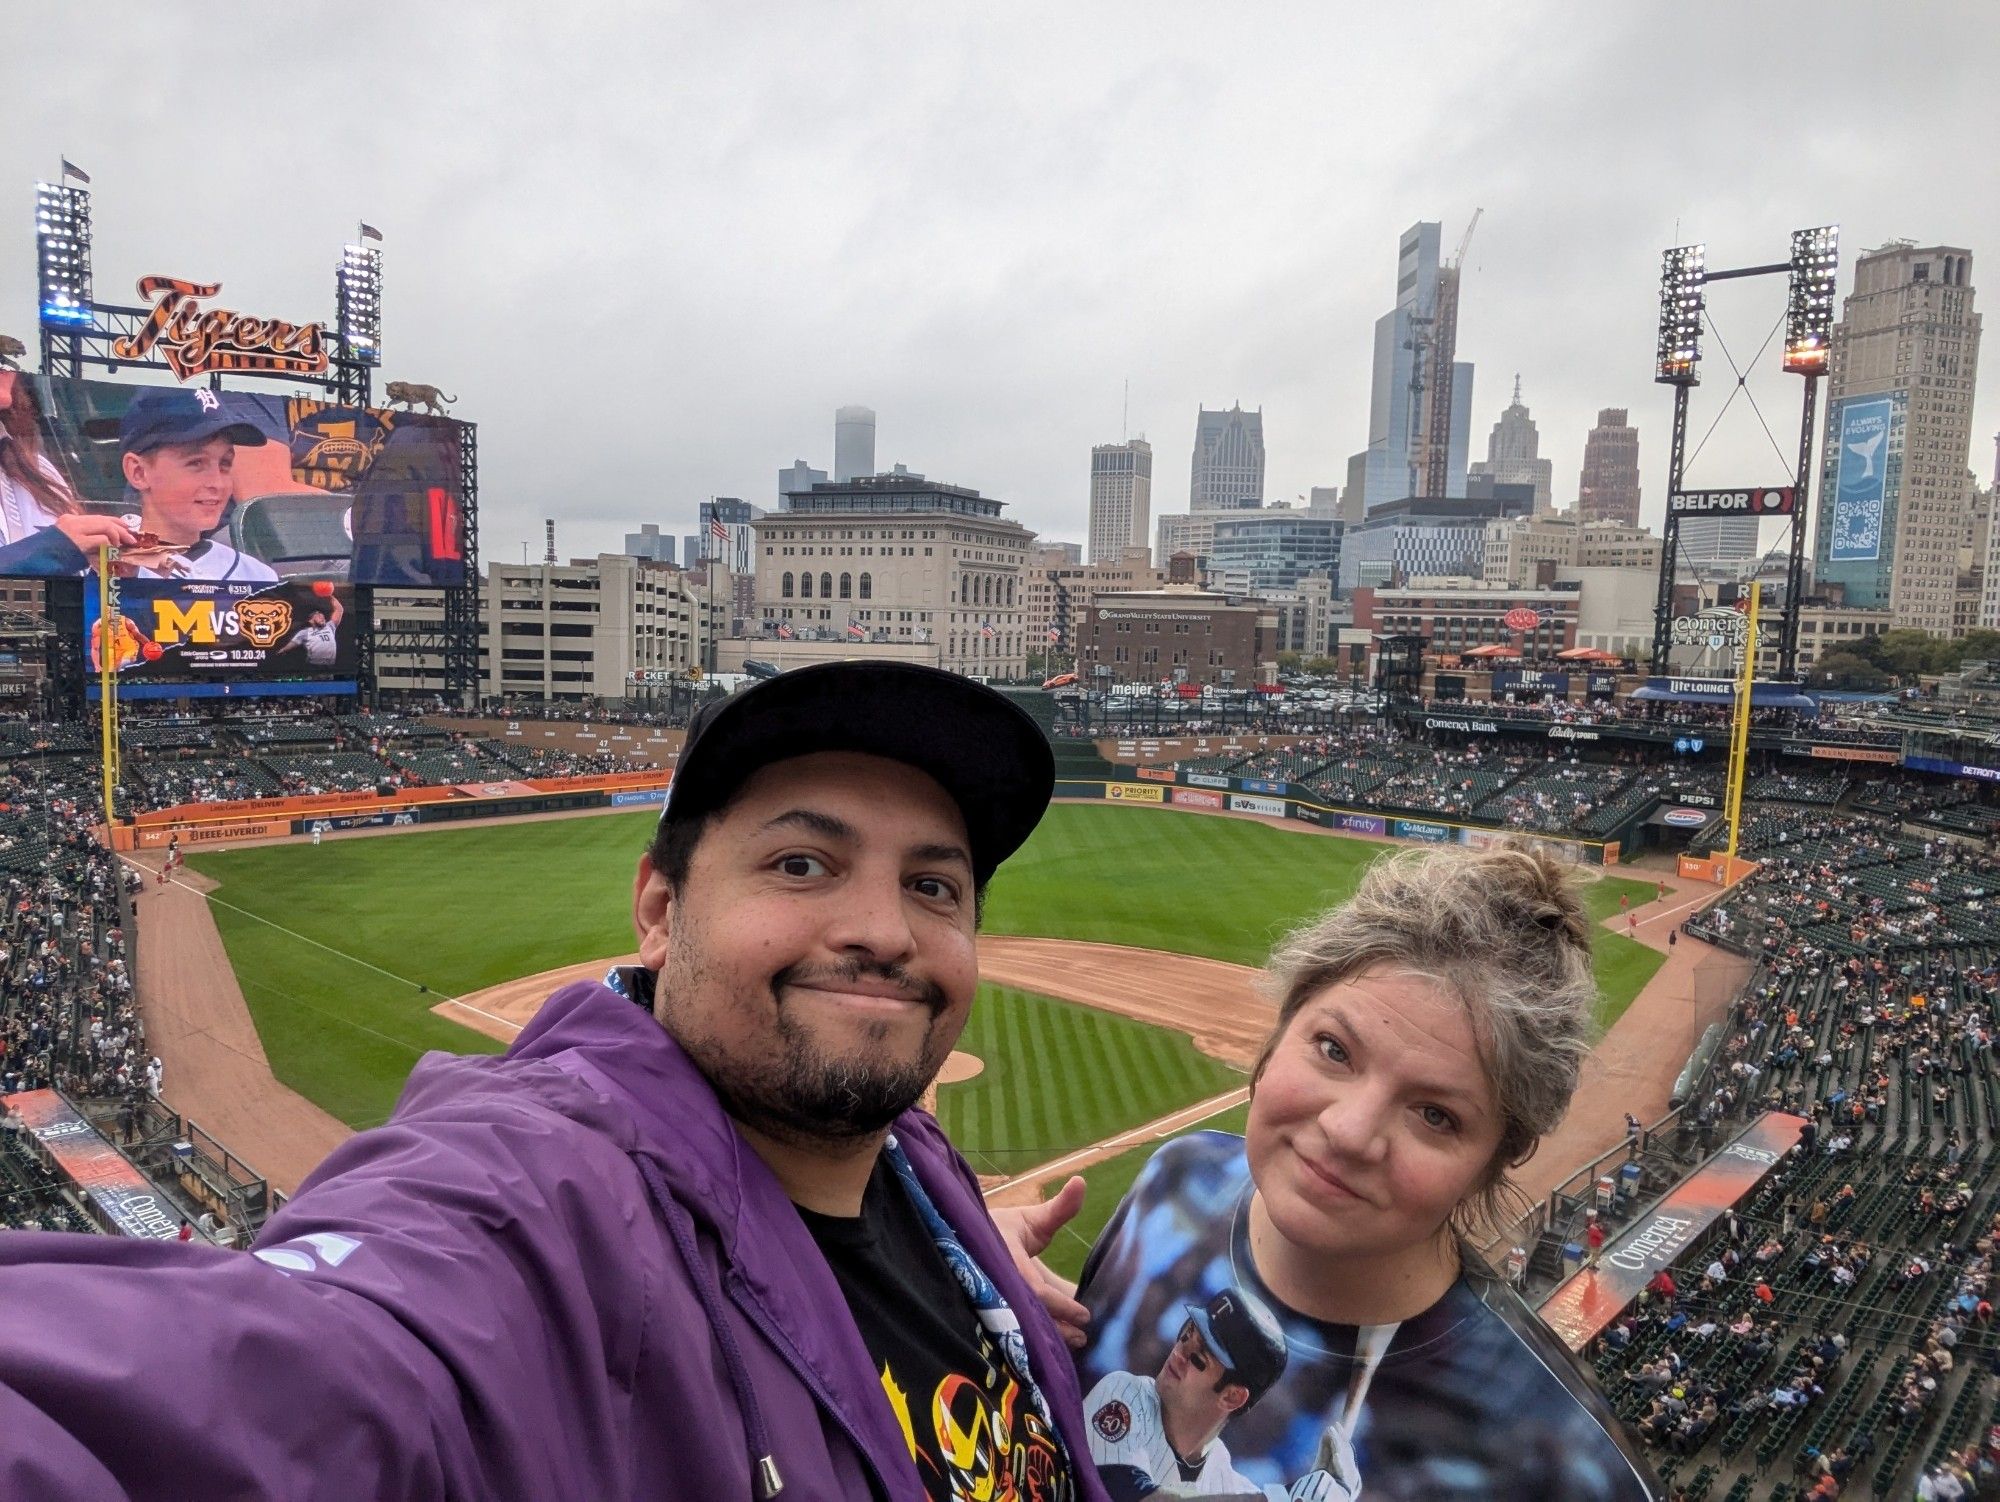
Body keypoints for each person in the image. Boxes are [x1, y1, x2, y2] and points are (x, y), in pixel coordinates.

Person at [0, 662, 1101, 1500]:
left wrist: (965, 1255)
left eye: (933, 883)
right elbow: (290, 1376)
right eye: (799, 863)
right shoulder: (542, 1197)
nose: (882, 930)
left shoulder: (907, 1160)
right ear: (660, 911)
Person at [1006, 843, 1656, 1501]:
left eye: (1435, 1114)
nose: (1349, 1132)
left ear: (1496, 1158)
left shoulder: (1562, 1466)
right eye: (1334, 1049)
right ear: (1282, 1026)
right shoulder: (1175, 1179)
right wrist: (970, 1270)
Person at [114, 388, 278, 582]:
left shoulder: (258, 577)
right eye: (196, 463)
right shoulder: (104, 569)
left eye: (225, 464)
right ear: (138, 472)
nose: (217, 483)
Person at [0, 370, 139, 573]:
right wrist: (53, 550)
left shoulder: (38, 470)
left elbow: (59, 595)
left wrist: (111, 579)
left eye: (10, 354)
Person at [274, 589, 345, 668]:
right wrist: (283, 650)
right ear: (311, 620)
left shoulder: (330, 626)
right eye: (318, 616)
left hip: (331, 666)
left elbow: (339, 610)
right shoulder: (305, 632)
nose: (322, 618)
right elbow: (293, 643)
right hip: (314, 666)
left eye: (323, 617)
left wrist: (330, 595)